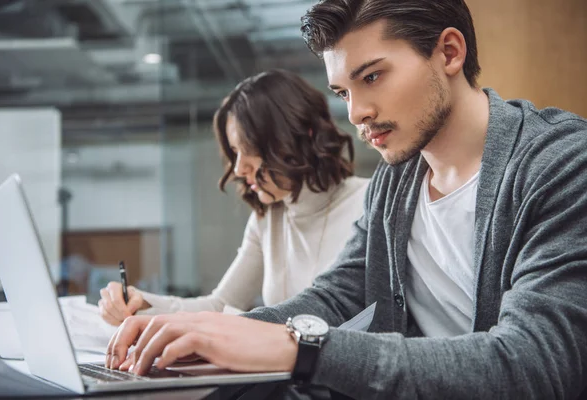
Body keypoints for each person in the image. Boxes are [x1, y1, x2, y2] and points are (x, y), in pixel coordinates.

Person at [105, 0, 587, 398]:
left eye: (372, 77)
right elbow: (337, 294)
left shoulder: (561, 163)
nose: (357, 113)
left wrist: (303, 348)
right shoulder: (394, 182)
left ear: (449, 51)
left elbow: (537, 365)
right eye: (343, 91)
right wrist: (208, 338)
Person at [98, 69, 370, 326]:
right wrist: (141, 303)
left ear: (301, 136)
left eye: (248, 148)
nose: (239, 168)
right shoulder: (267, 219)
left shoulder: (368, 203)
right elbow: (221, 304)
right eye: (234, 152)